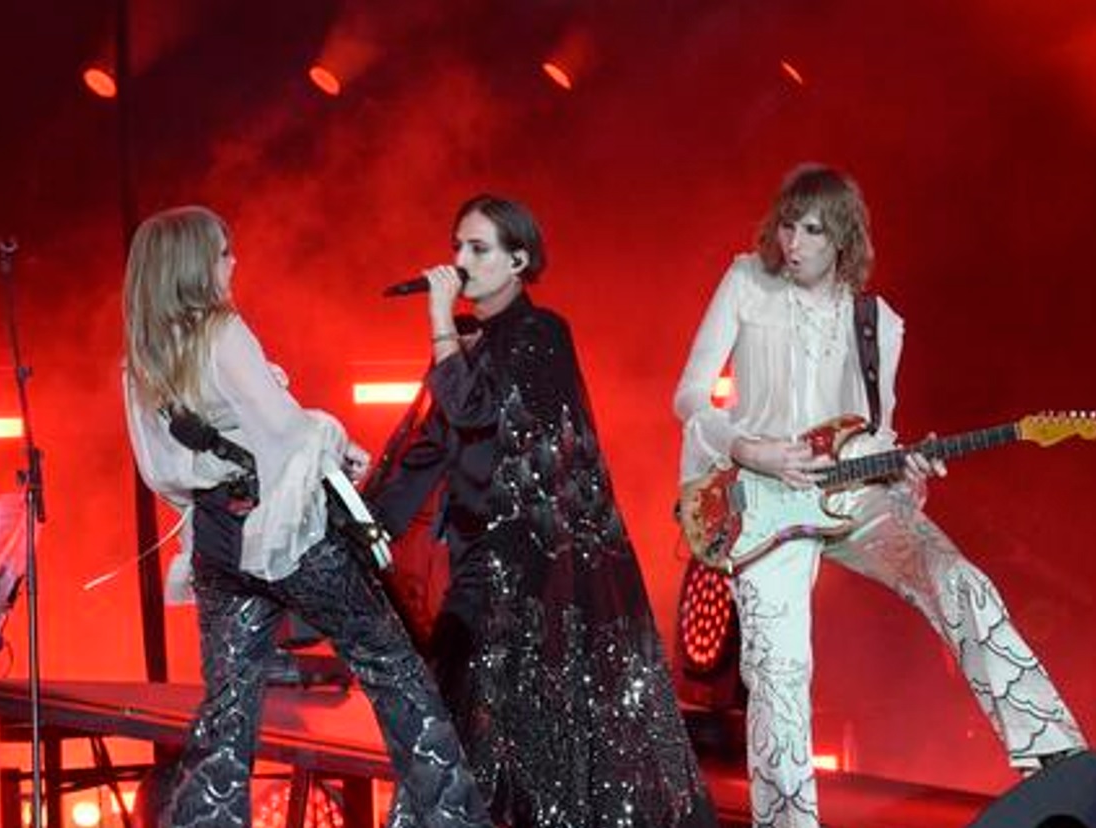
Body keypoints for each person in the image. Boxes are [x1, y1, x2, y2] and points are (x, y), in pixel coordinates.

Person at [672, 164, 1085, 828]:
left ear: (842, 238)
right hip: (763, 494)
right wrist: (751, 449)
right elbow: (690, 394)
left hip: (850, 496)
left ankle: (1059, 755)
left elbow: (873, 433)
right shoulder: (747, 281)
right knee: (781, 667)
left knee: (959, 582)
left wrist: (904, 472)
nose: (794, 241)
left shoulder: (878, 323)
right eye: (787, 224)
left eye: (812, 229)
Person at [121, 205, 488, 828]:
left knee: (229, 706)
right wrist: (334, 438)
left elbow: (162, 470)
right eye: (222, 252)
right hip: (282, 537)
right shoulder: (221, 331)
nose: (233, 263)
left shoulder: (145, 358)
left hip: (216, 539)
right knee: (392, 666)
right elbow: (287, 433)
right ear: (193, 266)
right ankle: (449, 819)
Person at [367, 194, 714, 828]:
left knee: (524, 750)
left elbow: (477, 410)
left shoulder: (541, 334)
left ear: (518, 261)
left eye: (478, 249)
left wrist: (441, 324)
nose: (460, 262)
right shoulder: (466, 347)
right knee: (448, 731)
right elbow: (431, 448)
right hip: (477, 568)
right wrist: (364, 526)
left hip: (531, 576)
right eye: (457, 246)